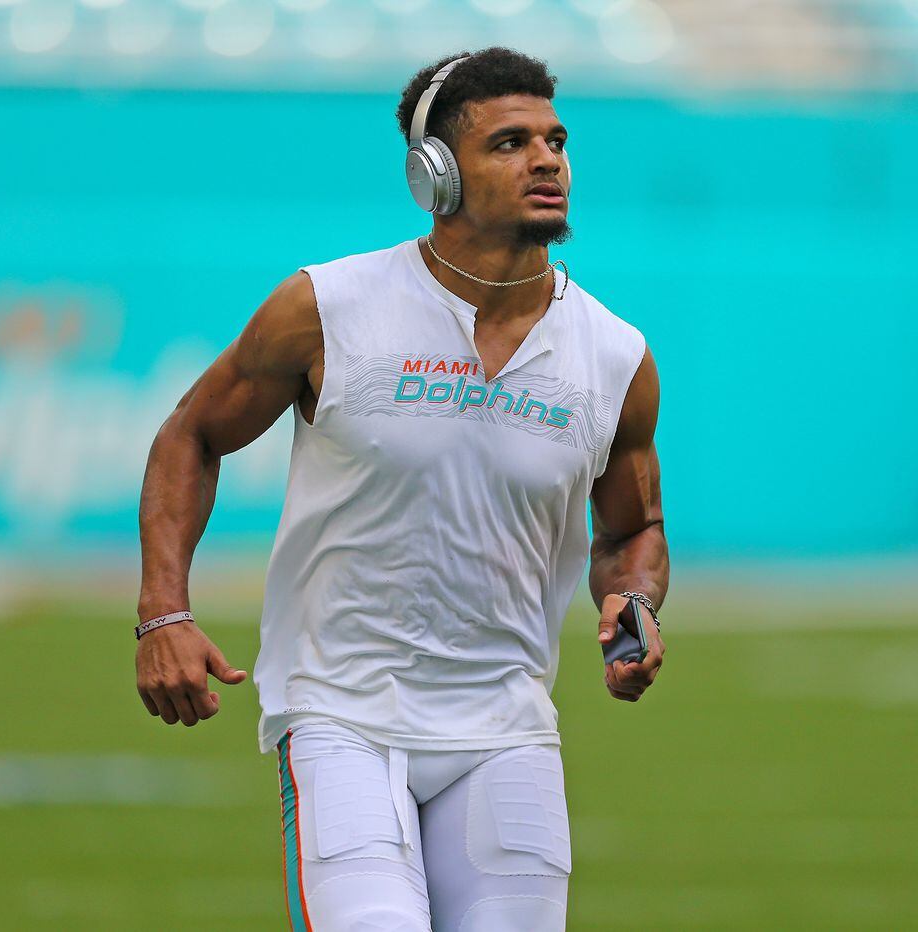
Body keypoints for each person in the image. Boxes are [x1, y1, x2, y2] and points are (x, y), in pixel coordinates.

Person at [134, 48, 667, 930]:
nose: (546, 161)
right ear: (435, 173)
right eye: (510, 143)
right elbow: (191, 434)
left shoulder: (616, 354)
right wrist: (164, 612)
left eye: (556, 140)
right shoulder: (328, 307)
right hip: (340, 714)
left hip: (508, 729)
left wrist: (635, 601)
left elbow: (633, 527)